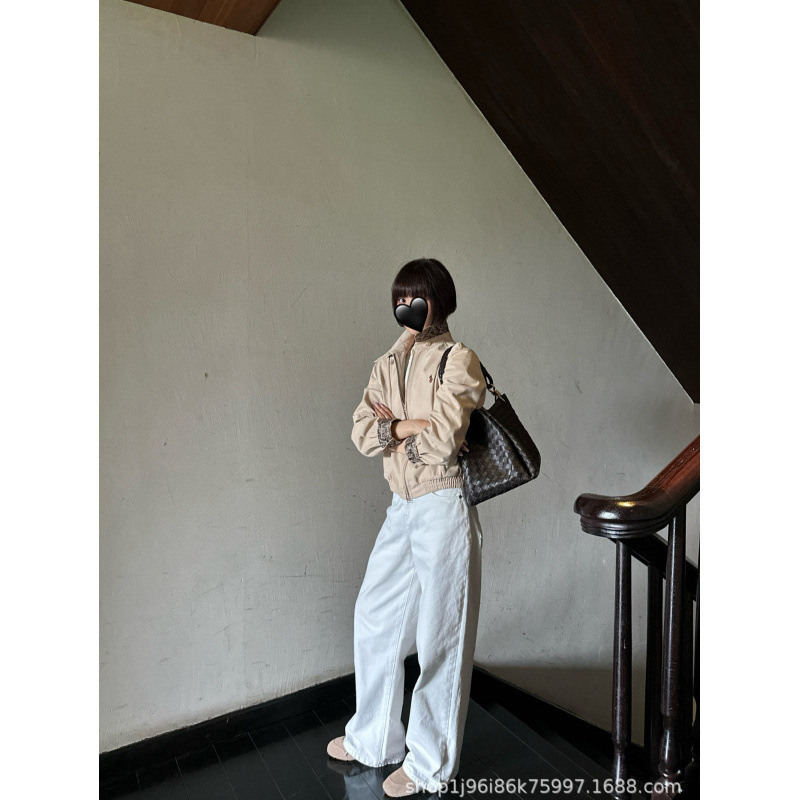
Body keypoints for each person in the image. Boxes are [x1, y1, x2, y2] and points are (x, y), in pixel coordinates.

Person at [326, 258, 487, 796]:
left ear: (439, 300)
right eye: (400, 300)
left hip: (443, 502)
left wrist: (392, 429)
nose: (407, 308)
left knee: (441, 634)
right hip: (401, 503)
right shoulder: (385, 365)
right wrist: (407, 425)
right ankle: (373, 739)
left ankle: (428, 764)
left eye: (416, 298)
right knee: (375, 614)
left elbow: (443, 441)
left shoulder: (459, 360)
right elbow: (360, 432)